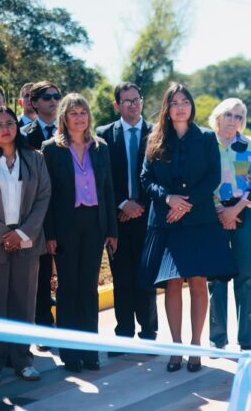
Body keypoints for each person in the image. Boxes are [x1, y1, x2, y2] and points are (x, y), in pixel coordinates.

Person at [139, 83, 236, 373]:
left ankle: (196, 347)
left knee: (197, 282)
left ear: (191, 107)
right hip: (166, 221)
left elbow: (212, 177)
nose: (181, 107)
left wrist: (186, 203)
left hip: (199, 221)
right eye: (175, 102)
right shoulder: (155, 138)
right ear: (167, 109)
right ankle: (177, 347)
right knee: (171, 283)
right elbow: (146, 179)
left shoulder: (206, 139)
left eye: (185, 101)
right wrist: (169, 199)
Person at [42, 94, 118, 372]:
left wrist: (111, 229)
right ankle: (70, 353)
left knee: (88, 289)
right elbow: (47, 196)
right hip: (65, 226)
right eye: (73, 113)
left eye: (83, 112)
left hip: (94, 224)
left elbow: (108, 190)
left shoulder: (101, 147)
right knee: (68, 288)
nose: (79, 118)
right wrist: (49, 233)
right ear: (64, 117)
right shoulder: (51, 149)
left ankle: (89, 351)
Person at [0, 107, 50, 385]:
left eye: (9, 122)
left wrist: (23, 233)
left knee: (24, 303)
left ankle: (23, 360)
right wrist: (2, 234)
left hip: (27, 242)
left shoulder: (34, 158)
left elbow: (43, 197)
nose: (5, 128)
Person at [96, 83, 157, 347]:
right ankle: (124, 334)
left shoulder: (157, 133)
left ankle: (149, 333)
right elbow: (103, 177)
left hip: (149, 217)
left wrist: (139, 206)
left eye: (136, 100)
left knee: (146, 277)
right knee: (121, 278)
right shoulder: (104, 135)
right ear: (117, 105)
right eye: (127, 101)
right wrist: (123, 204)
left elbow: (160, 176)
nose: (133, 105)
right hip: (118, 218)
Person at [207, 98, 251, 351]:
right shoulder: (207, 144)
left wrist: (235, 211)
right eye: (229, 114)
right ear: (218, 116)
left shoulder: (249, 145)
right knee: (216, 277)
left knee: (244, 276)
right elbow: (203, 180)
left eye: (239, 116)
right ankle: (218, 339)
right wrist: (221, 211)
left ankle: (245, 339)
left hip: (243, 213)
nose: (233, 120)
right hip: (213, 214)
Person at [21, 81, 62, 332]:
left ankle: (70, 330)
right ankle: (44, 329)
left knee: (68, 277)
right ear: (34, 102)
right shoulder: (24, 136)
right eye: (47, 97)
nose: (53, 101)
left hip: (68, 213)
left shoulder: (70, 132)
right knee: (41, 276)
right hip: (38, 215)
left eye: (57, 96)